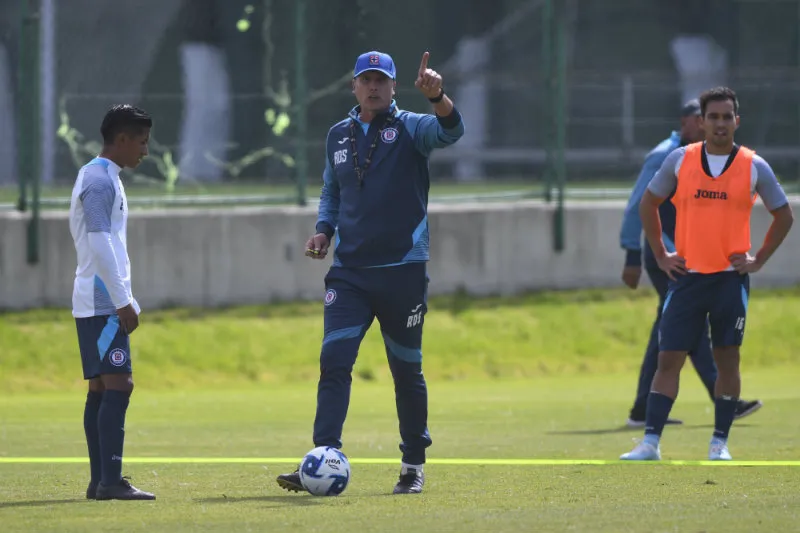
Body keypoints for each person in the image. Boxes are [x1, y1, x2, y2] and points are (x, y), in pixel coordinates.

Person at [276, 50, 464, 494]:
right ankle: (323, 458)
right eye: (367, 79)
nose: (374, 86)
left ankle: (413, 464)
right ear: (354, 86)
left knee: (405, 371)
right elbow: (330, 190)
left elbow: (452, 132)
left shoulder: (412, 127)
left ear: (395, 86)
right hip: (350, 274)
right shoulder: (337, 135)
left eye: (382, 80)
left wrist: (438, 97)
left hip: (403, 271)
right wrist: (323, 231)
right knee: (334, 362)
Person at [621, 86, 793, 461]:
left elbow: (784, 215)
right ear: (701, 122)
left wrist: (758, 259)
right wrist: (662, 254)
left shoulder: (754, 165)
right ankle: (650, 442)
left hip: (729, 281)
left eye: (726, 117)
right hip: (686, 278)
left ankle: (720, 443)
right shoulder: (679, 160)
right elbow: (648, 204)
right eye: (712, 117)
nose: (719, 123)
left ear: (736, 121)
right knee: (669, 358)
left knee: (727, 358)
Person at [69, 104, 155, 500]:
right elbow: (99, 241)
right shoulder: (100, 181)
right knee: (119, 384)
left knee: (101, 390)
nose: (145, 150)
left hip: (95, 301)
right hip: (103, 303)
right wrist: (123, 300)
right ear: (121, 140)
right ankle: (109, 481)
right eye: (141, 142)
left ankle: (99, 479)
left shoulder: (104, 176)